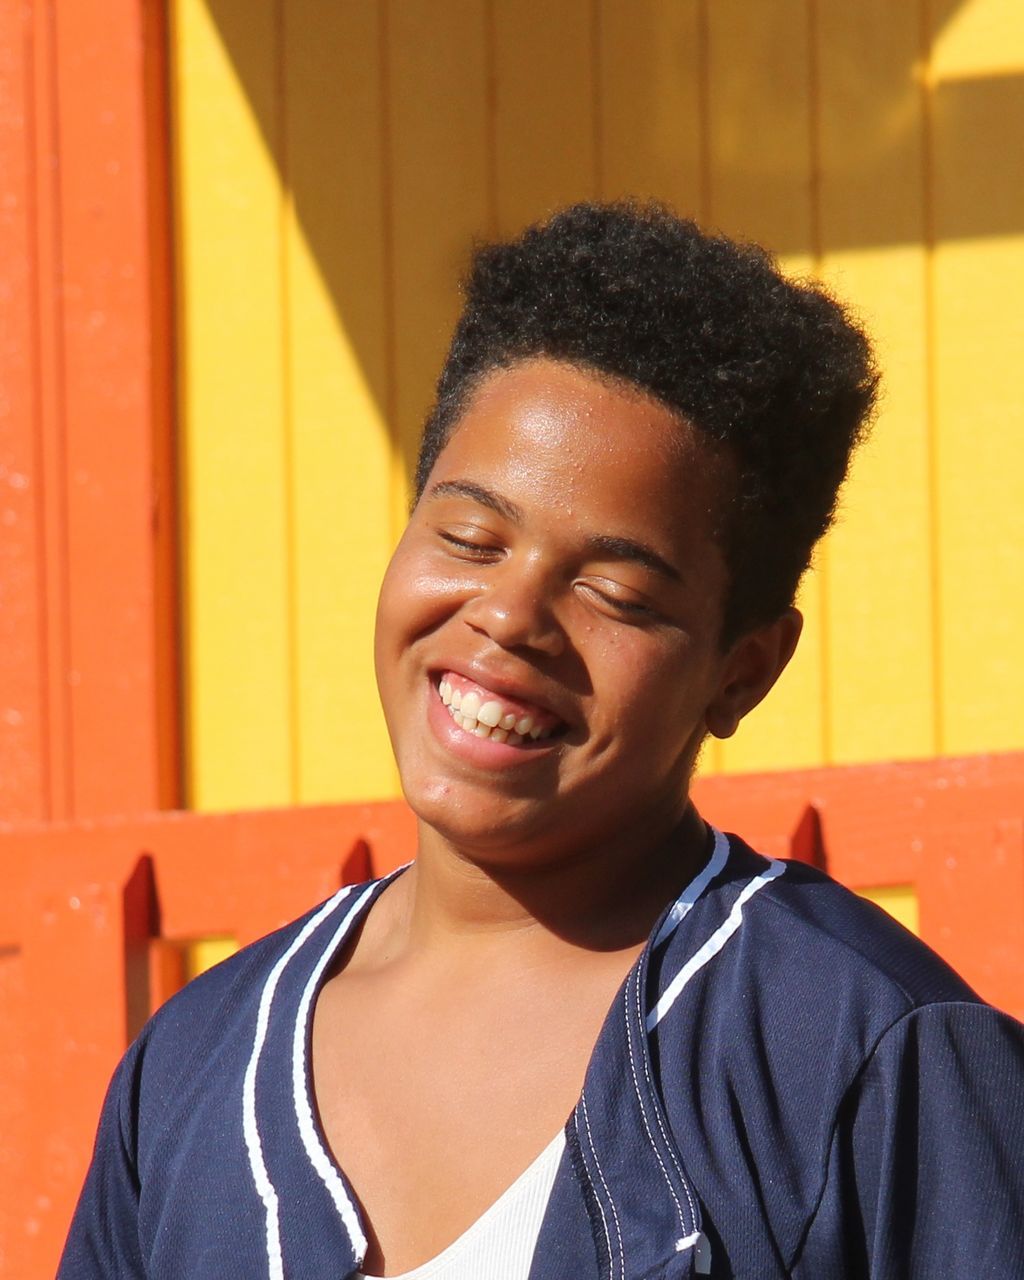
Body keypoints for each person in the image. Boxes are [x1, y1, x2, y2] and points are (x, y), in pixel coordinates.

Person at [60, 203, 1024, 1280]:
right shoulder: (194, 1069)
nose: (510, 615)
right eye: (469, 535)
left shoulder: (862, 1051)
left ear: (741, 668)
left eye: (613, 590)